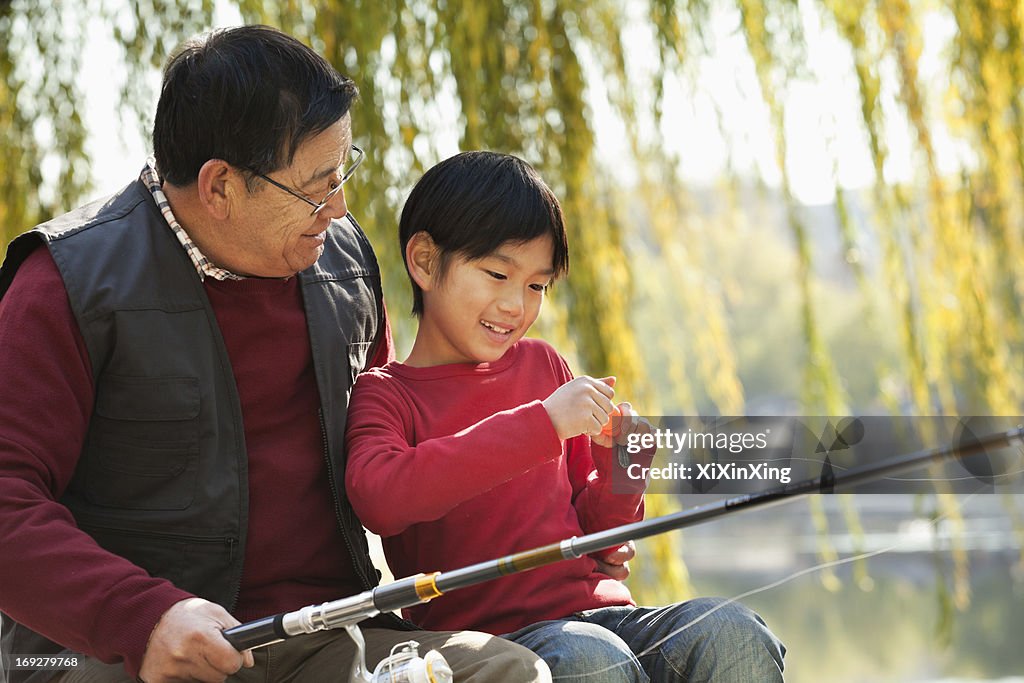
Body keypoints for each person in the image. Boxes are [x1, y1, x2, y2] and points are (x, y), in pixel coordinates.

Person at [0, 26, 552, 683]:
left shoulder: (346, 261)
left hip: (334, 634)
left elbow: (392, 470)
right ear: (221, 188)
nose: (341, 206)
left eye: (343, 171)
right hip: (129, 650)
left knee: (511, 671)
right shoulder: (64, 285)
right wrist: (142, 617)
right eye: (317, 185)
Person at [344, 151, 787, 682]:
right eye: (497, 274)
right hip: (495, 643)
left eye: (536, 286)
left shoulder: (543, 364)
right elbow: (382, 498)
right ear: (424, 261)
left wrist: (624, 469)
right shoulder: (387, 394)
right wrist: (543, 425)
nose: (516, 305)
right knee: (592, 657)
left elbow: (596, 532)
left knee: (732, 630)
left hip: (605, 617)